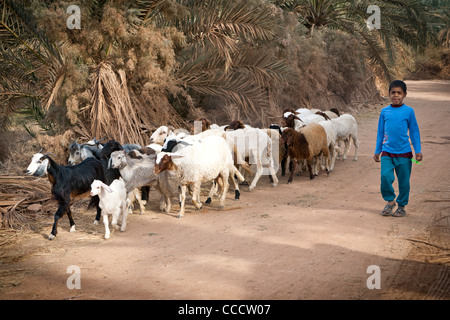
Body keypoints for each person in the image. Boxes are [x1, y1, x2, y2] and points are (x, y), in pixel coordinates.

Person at [373, 80, 423, 217]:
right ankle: (390, 201)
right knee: (385, 177)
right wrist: (377, 150)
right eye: (393, 92)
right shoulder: (384, 112)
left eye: (399, 93)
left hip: (404, 154)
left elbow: (414, 132)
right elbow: (380, 133)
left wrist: (418, 150)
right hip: (387, 152)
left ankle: (401, 205)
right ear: (389, 94)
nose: (396, 95)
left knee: (404, 182)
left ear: (405, 95)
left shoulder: (409, 111)